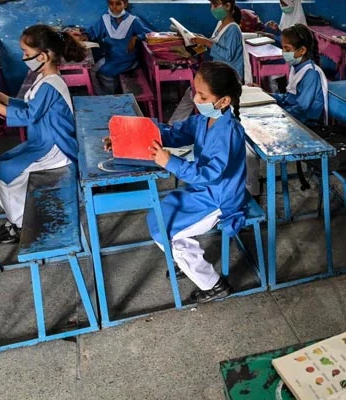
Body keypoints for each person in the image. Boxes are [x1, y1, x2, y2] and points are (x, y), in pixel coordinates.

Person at [105, 62, 247, 303]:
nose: (196, 98)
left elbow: (212, 173)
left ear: (223, 101)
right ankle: (185, 260)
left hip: (220, 200)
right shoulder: (204, 120)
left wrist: (170, 162)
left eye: (203, 95)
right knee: (158, 216)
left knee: (169, 232)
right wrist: (126, 137)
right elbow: (173, 132)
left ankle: (213, 284)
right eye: (195, 91)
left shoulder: (228, 132)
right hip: (203, 192)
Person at [0, 25, 84, 244]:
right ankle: (15, 217)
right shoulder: (43, 78)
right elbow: (28, 105)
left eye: (27, 54)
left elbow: (28, 116)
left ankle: (18, 224)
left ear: (44, 56)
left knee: (4, 174)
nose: (23, 57)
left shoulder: (51, 83)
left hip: (55, 148)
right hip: (42, 141)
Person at [169, 0, 252, 123]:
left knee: (193, 94)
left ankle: (175, 126)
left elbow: (228, 55)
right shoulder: (221, 25)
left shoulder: (233, 29)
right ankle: (174, 125)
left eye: (216, 5)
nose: (212, 9)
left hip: (228, 79)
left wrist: (207, 43)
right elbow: (215, 43)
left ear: (228, 6)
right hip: (219, 75)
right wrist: (200, 41)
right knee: (191, 93)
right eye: (211, 5)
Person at [76, 0, 151, 94]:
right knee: (92, 69)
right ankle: (102, 95)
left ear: (125, 4)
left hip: (126, 58)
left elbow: (149, 34)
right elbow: (93, 32)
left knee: (105, 72)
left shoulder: (132, 20)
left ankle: (110, 95)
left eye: (118, 4)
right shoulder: (105, 19)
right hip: (110, 56)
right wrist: (85, 36)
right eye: (111, 4)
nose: (114, 7)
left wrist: (136, 38)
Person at [273, 24, 328, 126]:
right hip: (294, 117)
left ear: (302, 50)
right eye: (283, 48)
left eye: (287, 49)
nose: (283, 52)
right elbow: (289, 98)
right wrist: (267, 95)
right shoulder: (295, 67)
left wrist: (279, 115)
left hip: (307, 124)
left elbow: (302, 107)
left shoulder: (311, 73)